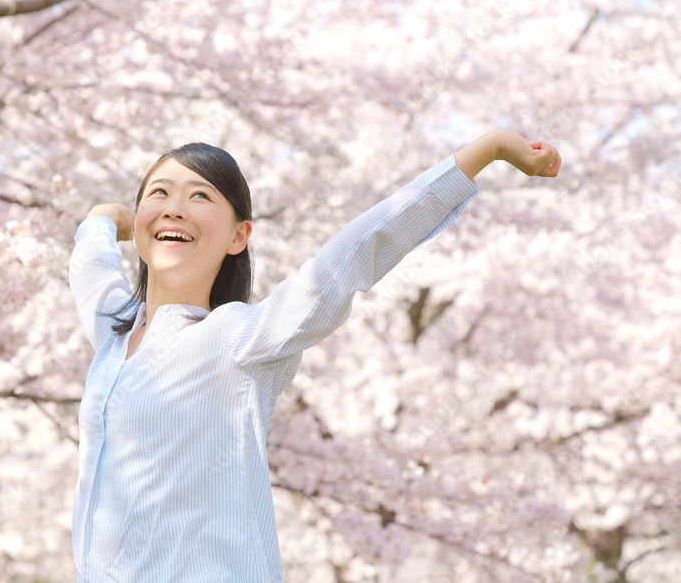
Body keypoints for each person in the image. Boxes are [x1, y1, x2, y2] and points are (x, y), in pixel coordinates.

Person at [68, 129, 561, 582]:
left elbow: (349, 259)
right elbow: (90, 267)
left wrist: (487, 150)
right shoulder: (115, 335)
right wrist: (105, 217)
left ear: (239, 236)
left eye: (199, 195)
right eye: (160, 193)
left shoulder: (239, 340)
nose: (174, 208)